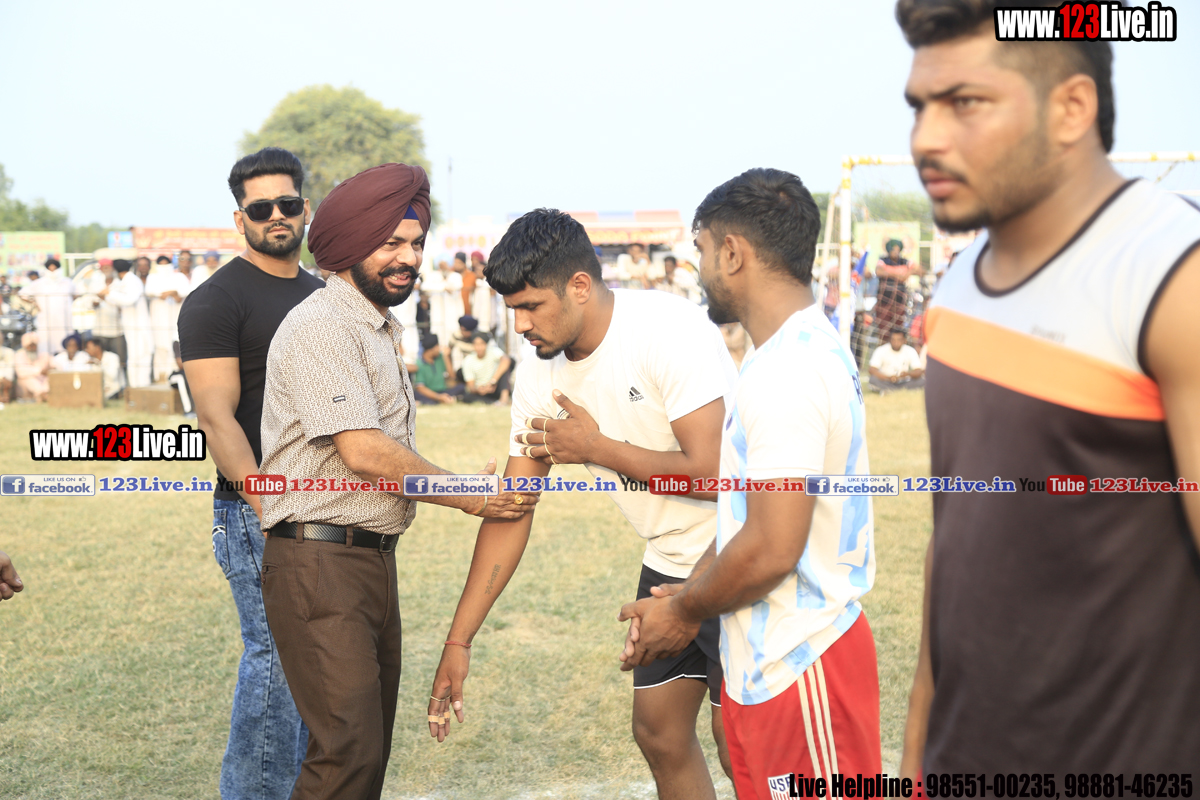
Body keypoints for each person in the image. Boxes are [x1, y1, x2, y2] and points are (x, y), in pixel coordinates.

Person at [895, 0, 1200, 774]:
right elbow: (952, 540)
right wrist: (918, 744)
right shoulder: (957, 285)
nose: (926, 137)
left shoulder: (1172, 276)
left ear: (1071, 107)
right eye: (920, 105)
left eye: (965, 102)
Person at [427, 208, 739, 800]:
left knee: (738, 741)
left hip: (737, 548)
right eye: (511, 309)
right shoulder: (538, 378)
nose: (519, 325)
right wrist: (458, 640)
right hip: (667, 558)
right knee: (659, 733)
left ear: (578, 286)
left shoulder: (666, 329)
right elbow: (514, 509)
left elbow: (720, 475)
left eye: (530, 306)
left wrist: (596, 449)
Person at [257, 162, 537, 800]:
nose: (408, 257)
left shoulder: (375, 326)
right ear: (350, 246)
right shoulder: (324, 325)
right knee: (347, 755)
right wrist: (467, 492)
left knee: (364, 757)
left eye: (415, 242)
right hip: (319, 562)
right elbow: (363, 451)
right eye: (390, 243)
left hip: (366, 560)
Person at [621, 168, 881, 792]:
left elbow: (770, 547)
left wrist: (683, 610)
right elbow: (749, 518)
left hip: (801, 662)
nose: (699, 268)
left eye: (703, 250)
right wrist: (683, 596)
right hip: (776, 665)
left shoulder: (788, 370)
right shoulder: (791, 351)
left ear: (733, 253)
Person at [178, 147, 319, 800]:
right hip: (255, 510)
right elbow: (217, 418)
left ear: (305, 209)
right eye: (260, 209)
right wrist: (269, 505)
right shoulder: (215, 301)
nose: (276, 216)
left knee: (315, 660)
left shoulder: (324, 296)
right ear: (240, 220)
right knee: (277, 657)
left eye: (286, 204)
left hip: (323, 507)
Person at [107, 256, 153, 388]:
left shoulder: (132, 280)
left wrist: (110, 293)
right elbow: (116, 299)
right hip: (131, 326)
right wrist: (107, 295)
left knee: (142, 355)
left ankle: (142, 386)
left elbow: (130, 299)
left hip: (139, 326)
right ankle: (135, 387)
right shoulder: (123, 281)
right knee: (134, 357)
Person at [17, 258, 75, 357]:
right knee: (46, 346)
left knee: (65, 346)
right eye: (50, 269)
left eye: (55, 269)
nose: (53, 271)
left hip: (64, 320)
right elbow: (22, 294)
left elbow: (77, 294)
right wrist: (34, 302)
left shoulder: (68, 282)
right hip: (46, 320)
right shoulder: (38, 283)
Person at [873, 239, 920, 336]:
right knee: (884, 332)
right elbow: (879, 271)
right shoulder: (883, 261)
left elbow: (919, 270)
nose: (895, 252)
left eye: (897, 250)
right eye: (893, 250)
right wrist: (898, 275)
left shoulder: (904, 261)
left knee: (898, 331)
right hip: (884, 302)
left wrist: (908, 273)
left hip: (899, 302)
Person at [87, 260, 126, 372]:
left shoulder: (120, 284)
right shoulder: (95, 284)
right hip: (100, 329)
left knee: (119, 361)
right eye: (104, 267)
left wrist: (105, 297)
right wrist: (95, 302)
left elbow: (122, 303)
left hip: (117, 330)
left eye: (108, 267)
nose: (106, 270)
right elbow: (88, 303)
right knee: (99, 360)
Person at [460, 333, 512, 404]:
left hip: (495, 386)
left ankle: (504, 399)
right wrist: (479, 390)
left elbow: (506, 360)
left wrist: (492, 382)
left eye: (481, 344)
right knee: (467, 397)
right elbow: (471, 386)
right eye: (476, 344)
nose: (479, 347)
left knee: (504, 368)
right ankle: (493, 403)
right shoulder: (468, 360)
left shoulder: (493, 351)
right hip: (481, 390)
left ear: (486, 344)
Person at [413, 333, 464, 404]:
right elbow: (420, 387)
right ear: (432, 349)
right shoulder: (419, 363)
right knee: (419, 396)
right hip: (429, 393)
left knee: (461, 387)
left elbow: (452, 376)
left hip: (442, 391)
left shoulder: (440, 357)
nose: (439, 348)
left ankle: (444, 399)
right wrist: (438, 397)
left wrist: (446, 356)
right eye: (437, 346)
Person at [14, 332, 50, 402]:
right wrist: (40, 371)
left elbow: (54, 366)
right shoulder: (19, 355)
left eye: (34, 346)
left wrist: (50, 369)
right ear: (25, 346)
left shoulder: (44, 355)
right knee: (30, 379)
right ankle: (41, 394)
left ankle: (45, 394)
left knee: (48, 378)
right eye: (29, 346)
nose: (32, 348)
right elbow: (20, 372)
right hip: (26, 383)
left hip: (42, 381)